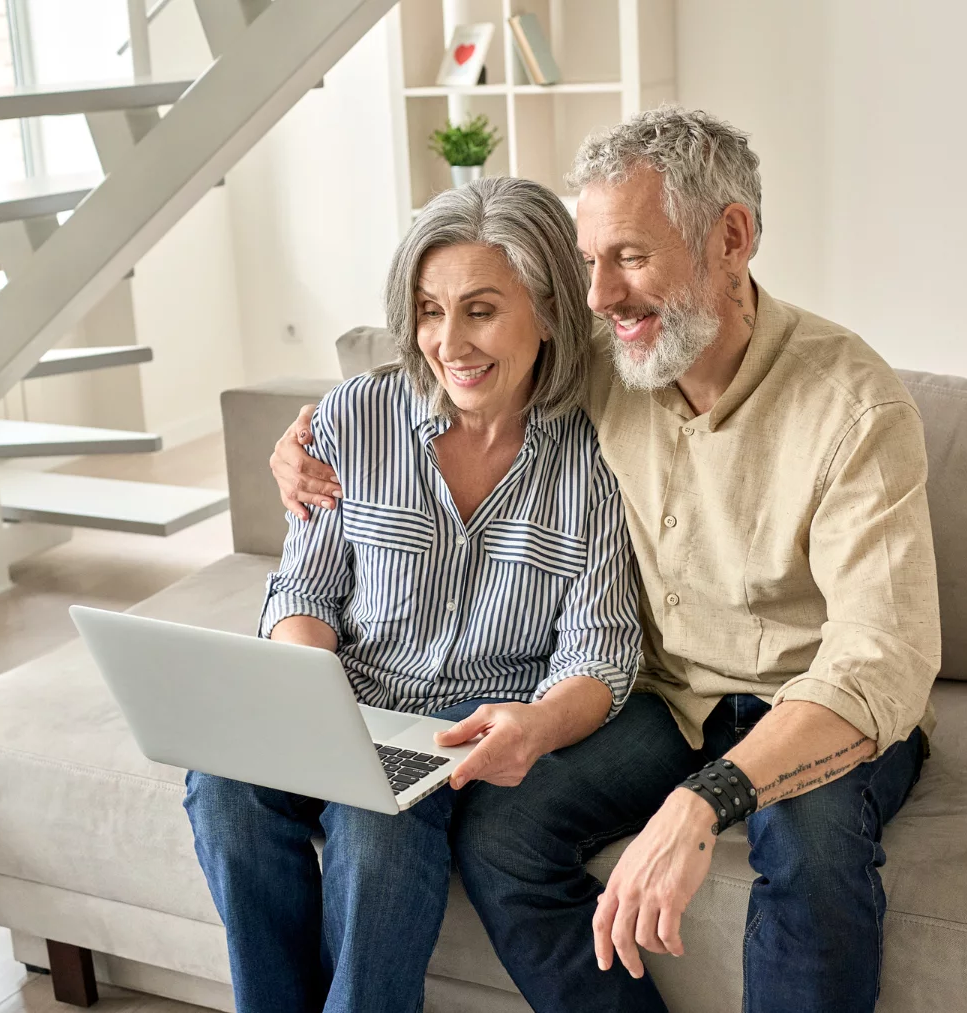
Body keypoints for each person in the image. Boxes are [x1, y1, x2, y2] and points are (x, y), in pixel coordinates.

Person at [275, 107, 941, 1013]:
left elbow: (881, 659)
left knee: (811, 847)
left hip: (813, 704)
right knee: (503, 836)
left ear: (732, 238)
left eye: (628, 256)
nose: (597, 296)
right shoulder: (606, 353)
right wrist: (305, 442)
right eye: (589, 262)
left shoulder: (854, 407)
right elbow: (451, 362)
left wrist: (703, 802)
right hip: (666, 700)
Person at [185, 175, 642, 1013]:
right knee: (221, 782)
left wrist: (538, 724)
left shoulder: (599, 455)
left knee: (377, 824)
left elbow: (600, 651)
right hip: (343, 691)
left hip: (464, 723)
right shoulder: (357, 416)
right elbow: (305, 586)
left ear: (548, 309)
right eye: (430, 311)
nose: (448, 342)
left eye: (480, 310)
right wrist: (308, 690)